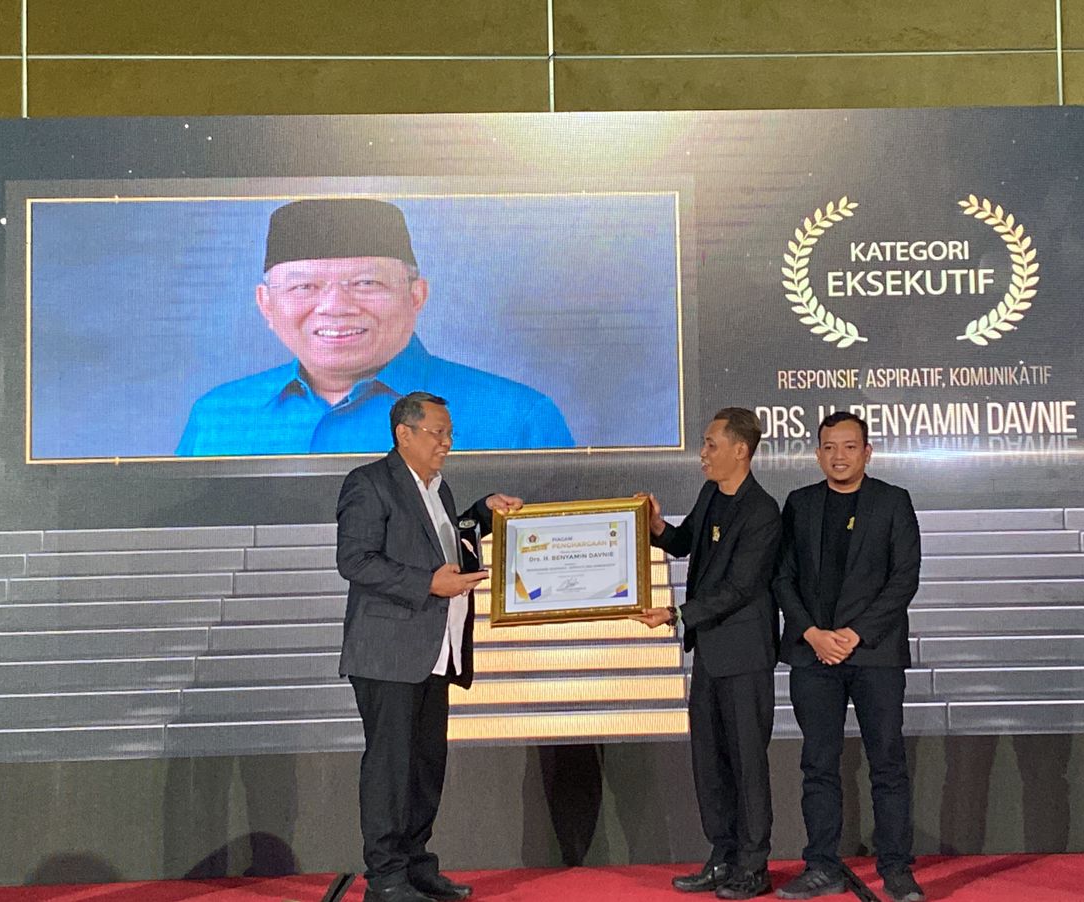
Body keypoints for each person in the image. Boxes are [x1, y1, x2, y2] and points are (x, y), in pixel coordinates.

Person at [177, 198, 573, 456]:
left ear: (416, 295)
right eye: (304, 287)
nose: (335, 308)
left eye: (366, 283)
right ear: (266, 304)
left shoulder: (518, 417)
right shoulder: (218, 415)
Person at [336, 391, 524, 902]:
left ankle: (417, 866)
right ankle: (386, 878)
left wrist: (483, 513)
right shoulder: (369, 483)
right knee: (390, 769)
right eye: (438, 432)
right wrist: (427, 583)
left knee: (424, 767)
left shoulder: (439, 489)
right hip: (388, 654)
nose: (447, 442)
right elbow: (354, 560)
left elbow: (446, 541)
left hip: (436, 650)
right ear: (404, 434)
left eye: (449, 433)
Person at [771, 412, 923, 902]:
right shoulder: (799, 504)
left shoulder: (893, 501)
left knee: (888, 765)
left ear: (867, 452)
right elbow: (782, 577)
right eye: (830, 447)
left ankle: (896, 868)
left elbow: (904, 577)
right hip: (813, 655)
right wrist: (813, 633)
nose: (839, 456)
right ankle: (822, 866)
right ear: (818, 454)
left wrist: (855, 634)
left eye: (849, 446)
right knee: (818, 765)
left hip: (875, 654)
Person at [634, 407, 782, 900]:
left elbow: (740, 587)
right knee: (710, 761)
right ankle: (722, 856)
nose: (702, 453)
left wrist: (677, 614)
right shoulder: (711, 495)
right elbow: (683, 543)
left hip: (745, 656)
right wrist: (656, 525)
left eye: (711, 444)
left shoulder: (762, 511)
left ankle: (753, 866)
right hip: (711, 654)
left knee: (747, 763)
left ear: (741, 450)